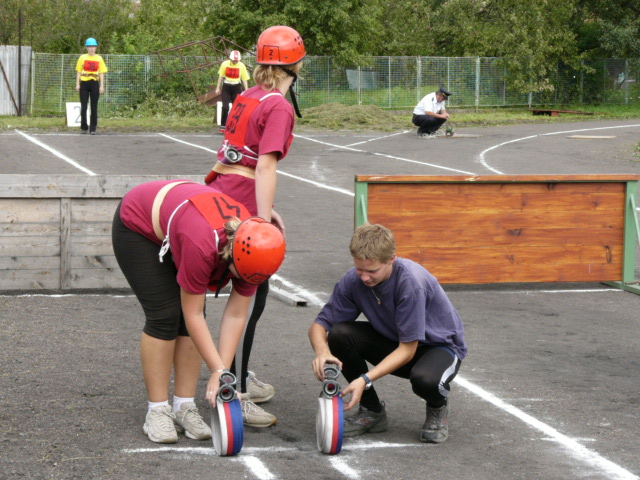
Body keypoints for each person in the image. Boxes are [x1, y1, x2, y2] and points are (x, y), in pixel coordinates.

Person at [111, 180, 286, 444]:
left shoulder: (258, 250)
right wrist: (216, 369)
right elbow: (191, 313)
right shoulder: (202, 245)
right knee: (166, 315)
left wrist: (222, 373)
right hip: (139, 223)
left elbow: (237, 314)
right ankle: (157, 410)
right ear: (233, 256)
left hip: (185, 218)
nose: (245, 282)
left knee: (190, 320)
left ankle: (184, 406)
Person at [203, 25, 306, 429]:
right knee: (251, 298)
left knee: (247, 299)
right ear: (294, 63)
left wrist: (267, 208)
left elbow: (236, 155)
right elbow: (265, 163)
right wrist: (262, 219)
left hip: (220, 193)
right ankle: (236, 389)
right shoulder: (278, 105)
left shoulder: (248, 94)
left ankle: (238, 375)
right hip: (242, 205)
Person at [309, 223, 467, 443]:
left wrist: (364, 379)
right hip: (397, 341)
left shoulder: (411, 283)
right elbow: (320, 326)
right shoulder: (354, 280)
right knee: (339, 334)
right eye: (359, 269)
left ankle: (437, 408)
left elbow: (407, 350)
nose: (364, 277)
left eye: (372, 271)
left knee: (425, 380)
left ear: (391, 259)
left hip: (437, 348)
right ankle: (372, 412)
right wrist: (322, 351)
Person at [75, 37, 107, 135]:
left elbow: (102, 73)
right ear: (86, 48)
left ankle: (93, 129)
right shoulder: (82, 57)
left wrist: (101, 86)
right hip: (84, 83)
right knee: (84, 107)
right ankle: (84, 127)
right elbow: (79, 71)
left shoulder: (99, 58)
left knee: (94, 107)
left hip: (94, 83)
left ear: (96, 47)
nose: (91, 49)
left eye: (93, 46)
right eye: (89, 47)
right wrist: (77, 84)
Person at [215, 50, 250, 134]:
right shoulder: (225, 64)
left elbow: (244, 78)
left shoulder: (241, 66)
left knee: (236, 108)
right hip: (226, 87)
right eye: (234, 60)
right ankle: (223, 125)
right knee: (225, 107)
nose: (235, 61)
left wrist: (247, 90)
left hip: (236, 87)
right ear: (230, 59)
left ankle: (234, 125)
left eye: (236, 60)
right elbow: (221, 76)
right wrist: (218, 87)